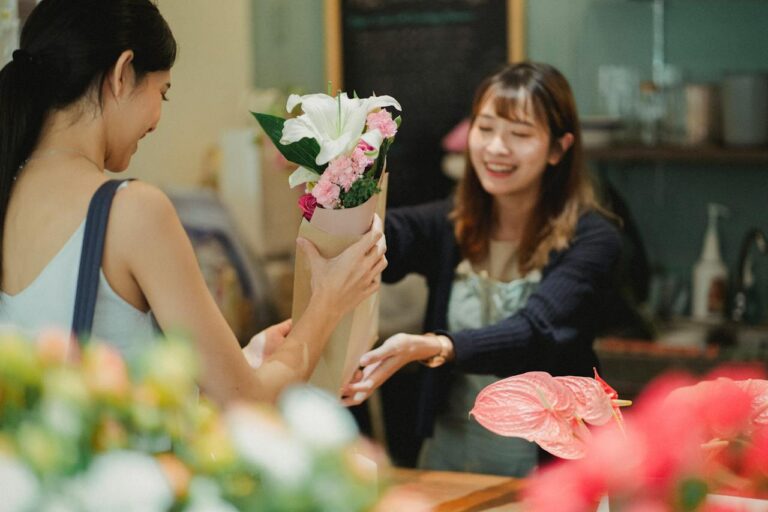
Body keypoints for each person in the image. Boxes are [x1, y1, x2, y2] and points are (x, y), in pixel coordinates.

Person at [0, 0, 386, 406]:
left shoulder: (12, 192)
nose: (157, 119)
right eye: (162, 93)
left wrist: (239, 362)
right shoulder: (131, 211)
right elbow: (247, 404)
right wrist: (328, 301)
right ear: (121, 73)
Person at [342, 62, 621, 477]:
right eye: (485, 128)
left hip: (549, 469)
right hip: (448, 458)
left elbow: (535, 332)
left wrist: (436, 347)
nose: (496, 148)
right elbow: (388, 234)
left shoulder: (595, 239)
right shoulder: (449, 224)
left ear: (559, 149)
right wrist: (340, 183)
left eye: (520, 134)